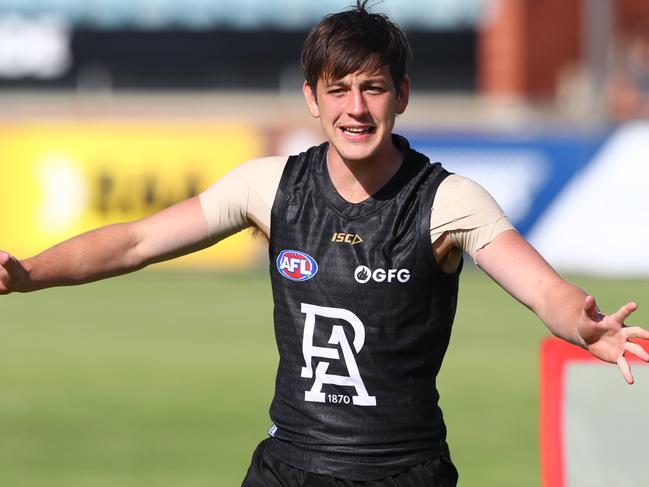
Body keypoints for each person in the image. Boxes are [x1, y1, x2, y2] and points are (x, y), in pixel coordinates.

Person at [1, 2, 648, 486]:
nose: (355, 108)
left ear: (401, 94)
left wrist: (580, 324)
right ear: (312, 97)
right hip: (289, 466)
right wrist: (30, 271)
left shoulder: (448, 200)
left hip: (402, 470)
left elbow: (540, 287)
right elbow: (137, 240)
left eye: (371, 87)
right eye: (337, 89)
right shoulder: (268, 185)